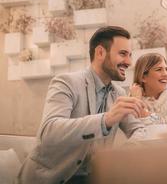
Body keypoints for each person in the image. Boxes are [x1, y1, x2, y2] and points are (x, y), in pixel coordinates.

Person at [17, 26, 148, 184]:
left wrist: (122, 157)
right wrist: (105, 119)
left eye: (130, 55)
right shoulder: (66, 82)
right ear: (100, 52)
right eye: (123, 54)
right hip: (48, 179)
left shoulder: (119, 93)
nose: (129, 62)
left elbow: (139, 129)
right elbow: (49, 131)